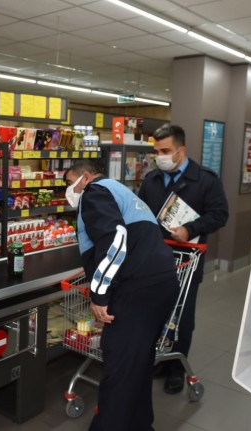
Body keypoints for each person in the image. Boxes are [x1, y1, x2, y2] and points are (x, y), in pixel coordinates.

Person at [64, 159, 179, 431]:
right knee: (138, 365)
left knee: (119, 367)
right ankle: (140, 425)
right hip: (161, 283)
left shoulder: (93, 192)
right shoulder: (119, 189)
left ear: (86, 177)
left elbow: (116, 240)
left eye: (70, 183)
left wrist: (99, 294)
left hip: (137, 289)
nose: (69, 190)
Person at [137, 123, 229, 395]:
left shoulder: (205, 179)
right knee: (155, 312)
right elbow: (141, 212)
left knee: (182, 317)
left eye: (165, 150)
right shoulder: (151, 180)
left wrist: (191, 229)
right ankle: (159, 359)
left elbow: (220, 214)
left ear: (181, 150)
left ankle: (176, 368)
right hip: (154, 259)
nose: (160, 156)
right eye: (156, 151)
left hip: (188, 259)